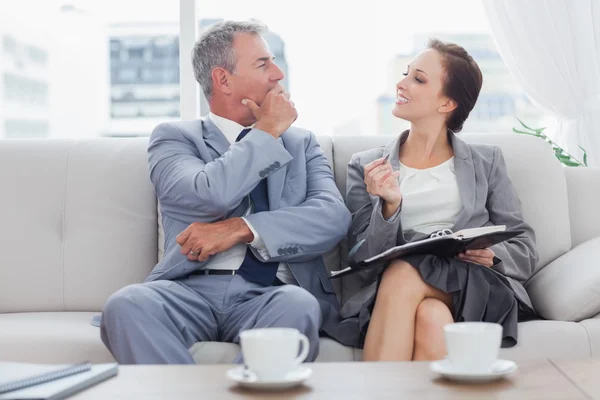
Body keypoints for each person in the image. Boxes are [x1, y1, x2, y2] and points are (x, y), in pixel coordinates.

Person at [99, 20, 353, 364]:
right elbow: (208, 194)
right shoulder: (174, 138)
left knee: (299, 306)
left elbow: (332, 218)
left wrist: (241, 229)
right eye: (263, 64)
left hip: (272, 293)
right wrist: (266, 132)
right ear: (223, 79)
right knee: (126, 305)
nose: (278, 74)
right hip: (188, 288)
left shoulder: (302, 142)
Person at [341, 38, 538, 361]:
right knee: (431, 317)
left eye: (418, 78)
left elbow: (525, 248)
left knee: (404, 274)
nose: (401, 83)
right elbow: (362, 262)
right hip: (400, 292)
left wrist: (492, 254)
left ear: (446, 104)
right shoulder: (368, 166)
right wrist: (389, 206)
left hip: (473, 283)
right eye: (406, 73)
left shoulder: (486, 162)